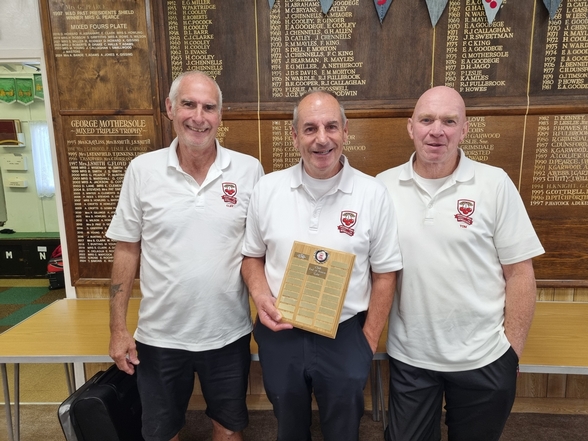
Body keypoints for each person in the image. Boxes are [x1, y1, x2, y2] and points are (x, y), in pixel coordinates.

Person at [376, 86, 545, 441]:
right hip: (412, 358)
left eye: (449, 121)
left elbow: (520, 274)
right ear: (411, 127)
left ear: (464, 130)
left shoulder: (494, 183)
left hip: (484, 357)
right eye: (427, 120)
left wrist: (510, 353)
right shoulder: (382, 187)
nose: (437, 131)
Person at [106, 71, 264, 441]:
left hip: (227, 334)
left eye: (209, 107)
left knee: (229, 429)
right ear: (170, 108)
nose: (198, 117)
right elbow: (127, 249)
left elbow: (258, 250)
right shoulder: (142, 170)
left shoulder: (248, 170)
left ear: (220, 115)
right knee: (162, 432)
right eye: (188, 104)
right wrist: (117, 329)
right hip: (160, 336)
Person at [241, 90, 402, 441]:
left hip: (345, 334)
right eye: (310, 128)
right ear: (294, 135)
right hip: (281, 330)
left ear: (345, 131)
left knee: (343, 430)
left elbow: (385, 273)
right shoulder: (267, 189)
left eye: (331, 126)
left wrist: (367, 340)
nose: (322, 139)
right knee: (288, 427)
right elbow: (252, 257)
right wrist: (260, 295)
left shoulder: (372, 193)